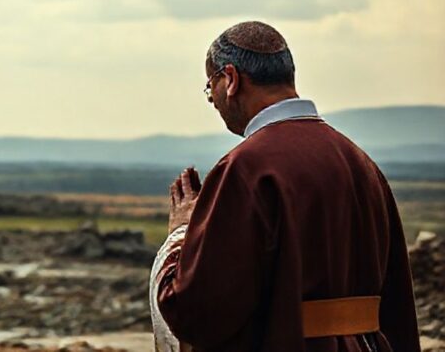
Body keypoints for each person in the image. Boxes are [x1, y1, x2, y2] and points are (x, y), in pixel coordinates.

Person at [149, 21, 420, 352]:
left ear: (230, 79)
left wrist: (181, 236)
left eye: (211, 87)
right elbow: (396, 304)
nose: (213, 101)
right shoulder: (361, 163)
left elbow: (199, 310)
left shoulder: (247, 168)